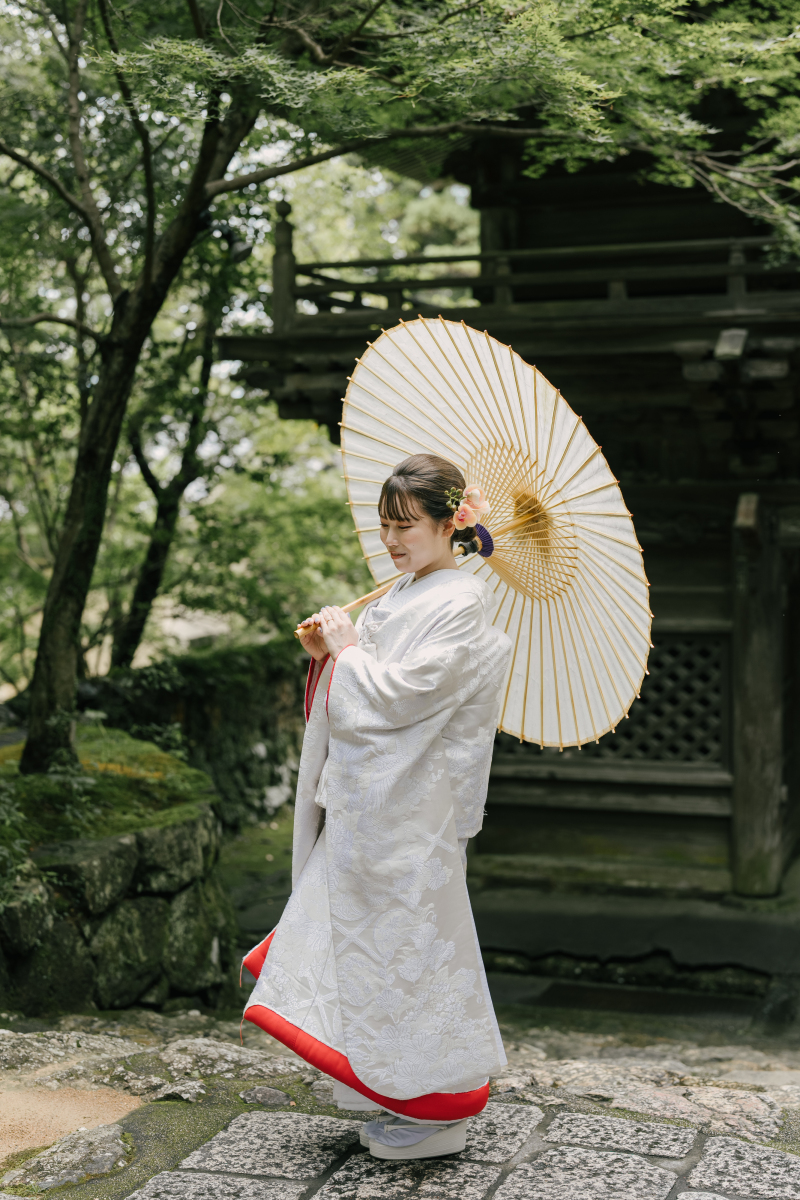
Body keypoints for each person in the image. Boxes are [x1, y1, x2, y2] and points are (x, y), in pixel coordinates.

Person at [242, 453, 512, 1160]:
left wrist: (350, 654)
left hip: (411, 812)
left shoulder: (461, 600)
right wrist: (326, 654)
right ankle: (392, 1088)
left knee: (411, 949)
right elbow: (366, 680)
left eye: (406, 526)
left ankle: (440, 1106)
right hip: (372, 806)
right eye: (385, 524)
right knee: (367, 943)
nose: (392, 540)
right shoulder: (404, 590)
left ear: (451, 523)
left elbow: (406, 698)